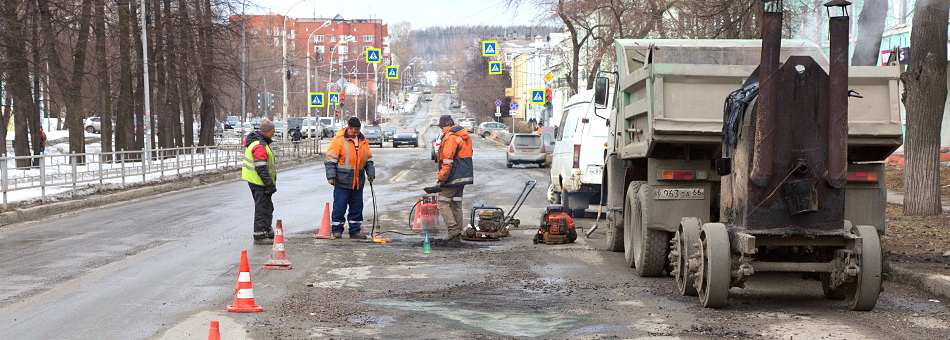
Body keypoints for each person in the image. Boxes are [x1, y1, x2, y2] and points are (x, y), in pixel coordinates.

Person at [325, 117, 375, 239]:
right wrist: (331, 176)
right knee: (340, 206)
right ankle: (337, 230)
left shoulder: (363, 140)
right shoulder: (339, 140)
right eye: (354, 132)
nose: (356, 134)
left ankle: (355, 231)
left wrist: (370, 173)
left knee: (357, 207)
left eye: (357, 132)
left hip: (358, 180)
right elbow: (330, 160)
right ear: (349, 129)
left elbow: (368, 159)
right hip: (342, 180)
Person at [435, 115, 473, 242]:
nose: (441, 131)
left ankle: (453, 230)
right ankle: (457, 235)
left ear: (446, 126)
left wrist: (442, 177)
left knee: (442, 202)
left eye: (442, 128)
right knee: (456, 203)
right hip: (464, 175)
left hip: (453, 175)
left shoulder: (451, 137)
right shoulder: (463, 135)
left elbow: (447, 160)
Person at [242, 119, 278, 245]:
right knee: (262, 208)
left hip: (257, 181)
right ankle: (259, 234)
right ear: (267, 132)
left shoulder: (258, 143)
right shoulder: (260, 146)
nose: (274, 133)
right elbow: (261, 168)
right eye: (273, 131)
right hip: (259, 182)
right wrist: (269, 184)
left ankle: (267, 229)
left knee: (267, 207)